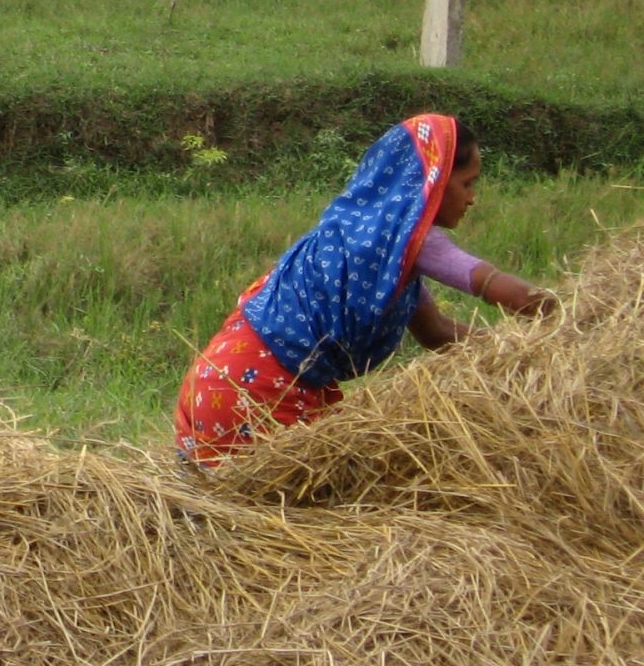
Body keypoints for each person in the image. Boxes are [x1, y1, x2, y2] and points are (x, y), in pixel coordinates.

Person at [175, 113, 556, 469]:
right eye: (467, 183)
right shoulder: (410, 241)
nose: (472, 198)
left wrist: (508, 352)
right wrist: (574, 321)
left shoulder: (377, 247)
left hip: (215, 379)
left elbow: (436, 331)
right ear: (435, 179)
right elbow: (506, 292)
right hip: (258, 392)